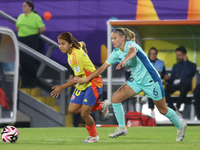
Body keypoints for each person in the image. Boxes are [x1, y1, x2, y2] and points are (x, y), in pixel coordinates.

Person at [74, 28, 187, 141]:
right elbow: (102, 68)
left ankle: (180, 126)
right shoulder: (116, 52)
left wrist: (123, 62)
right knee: (115, 99)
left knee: (163, 110)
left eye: (115, 38)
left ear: (123, 38)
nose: (113, 41)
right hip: (137, 81)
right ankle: (122, 128)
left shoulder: (130, 44)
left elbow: (133, 52)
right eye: (112, 38)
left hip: (151, 81)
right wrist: (86, 79)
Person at [50, 32, 110, 143]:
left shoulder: (75, 57)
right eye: (59, 44)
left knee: (84, 114)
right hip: (83, 84)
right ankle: (101, 106)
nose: (61, 46)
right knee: (72, 110)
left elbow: (77, 79)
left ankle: (94, 136)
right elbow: (83, 43)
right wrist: (85, 49)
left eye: (63, 43)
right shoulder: (75, 47)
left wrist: (61, 87)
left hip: (93, 83)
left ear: (70, 44)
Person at [15, 1, 46, 88]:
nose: (23, 7)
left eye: (25, 6)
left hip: (31, 40)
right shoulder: (20, 16)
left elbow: (42, 28)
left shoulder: (35, 17)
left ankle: (32, 83)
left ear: (30, 7)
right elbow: (17, 27)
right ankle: (24, 83)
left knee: (30, 62)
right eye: (23, 5)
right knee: (22, 62)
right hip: (21, 39)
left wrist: (35, 34)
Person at [164, 46, 196, 112]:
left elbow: (188, 73)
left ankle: (178, 106)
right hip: (176, 85)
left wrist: (185, 61)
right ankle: (172, 109)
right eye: (177, 55)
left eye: (180, 55)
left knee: (184, 87)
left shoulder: (192, 65)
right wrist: (168, 78)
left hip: (185, 85)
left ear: (185, 55)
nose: (178, 57)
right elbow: (172, 79)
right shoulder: (175, 66)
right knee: (165, 89)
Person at [147, 47, 166, 118]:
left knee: (152, 89)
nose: (153, 55)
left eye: (154, 53)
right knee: (151, 89)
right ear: (149, 54)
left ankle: (146, 97)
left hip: (157, 82)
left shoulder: (161, 63)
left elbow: (164, 75)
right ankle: (152, 110)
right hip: (146, 81)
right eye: (151, 53)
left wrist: (160, 74)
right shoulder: (145, 62)